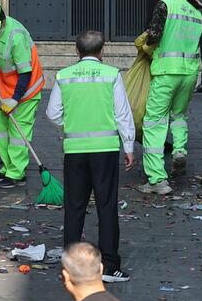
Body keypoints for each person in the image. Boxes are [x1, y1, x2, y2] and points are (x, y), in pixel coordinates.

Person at [46, 31, 136, 282]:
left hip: (74, 149)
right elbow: (122, 114)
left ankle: (72, 267)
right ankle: (109, 265)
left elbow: (52, 114)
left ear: (77, 51)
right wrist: (128, 146)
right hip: (105, 149)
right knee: (106, 207)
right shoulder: (111, 75)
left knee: (74, 208)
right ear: (102, 51)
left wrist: (70, 124)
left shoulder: (64, 76)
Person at [137, 0, 202, 195]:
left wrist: (143, 46)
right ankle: (179, 151)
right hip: (189, 74)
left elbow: (154, 37)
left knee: (154, 122)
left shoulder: (164, 6)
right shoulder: (196, 11)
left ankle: (157, 179)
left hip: (167, 72)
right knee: (178, 115)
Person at [0, 3, 45, 189]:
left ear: (2, 21)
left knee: (17, 133)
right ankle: (7, 166)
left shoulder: (16, 36)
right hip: (4, 88)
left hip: (26, 91)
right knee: (0, 127)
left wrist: (15, 99)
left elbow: (25, 73)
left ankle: (16, 173)